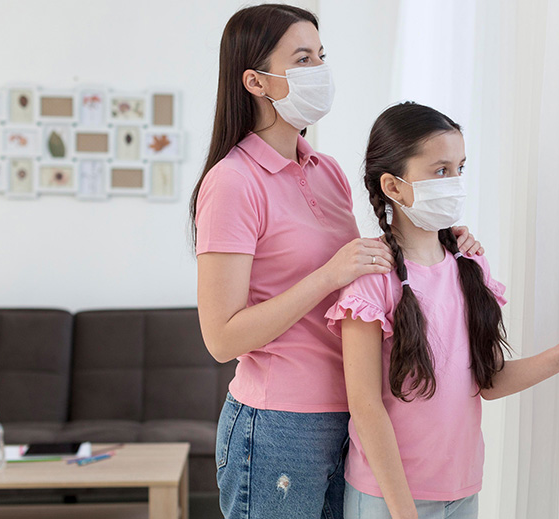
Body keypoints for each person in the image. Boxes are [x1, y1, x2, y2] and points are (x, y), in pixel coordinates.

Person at [190, 6, 483, 518]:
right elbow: (221, 339)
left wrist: (441, 236)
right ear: (256, 81)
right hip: (278, 422)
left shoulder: (326, 172)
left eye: (321, 56)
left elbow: (365, 269)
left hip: (348, 416)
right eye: (302, 59)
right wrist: (325, 276)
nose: (320, 71)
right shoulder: (233, 182)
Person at [326, 102, 559, 519]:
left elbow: (487, 380)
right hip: (388, 501)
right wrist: (404, 511)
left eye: (460, 168)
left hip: (462, 492)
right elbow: (365, 406)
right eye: (440, 171)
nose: (455, 182)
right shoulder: (373, 278)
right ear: (394, 186)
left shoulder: (471, 267)